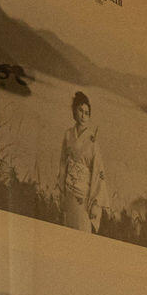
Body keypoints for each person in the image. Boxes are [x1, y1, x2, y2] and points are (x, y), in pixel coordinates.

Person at [58, 90, 105, 233]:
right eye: (80, 110)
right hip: (68, 192)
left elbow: (98, 172)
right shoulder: (68, 135)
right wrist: (61, 189)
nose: (83, 115)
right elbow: (62, 163)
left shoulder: (92, 142)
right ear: (74, 111)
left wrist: (95, 204)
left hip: (83, 196)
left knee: (81, 230)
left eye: (87, 112)